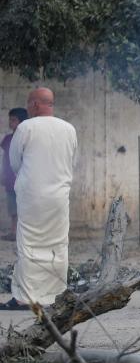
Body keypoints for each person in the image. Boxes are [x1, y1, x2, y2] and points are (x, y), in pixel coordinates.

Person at [1, 88, 77, 310]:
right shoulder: (69, 129)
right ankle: (56, 295)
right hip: (59, 197)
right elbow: (73, 160)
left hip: (32, 197)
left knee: (29, 244)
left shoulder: (25, 127)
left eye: (28, 103)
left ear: (34, 105)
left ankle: (25, 297)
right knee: (58, 243)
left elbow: (15, 162)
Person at [1, 108, 28, 241]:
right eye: (10, 120)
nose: (10, 123)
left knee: (24, 208)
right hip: (10, 180)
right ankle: (13, 232)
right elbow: (5, 158)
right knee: (12, 209)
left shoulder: (27, 138)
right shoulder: (7, 139)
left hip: (23, 181)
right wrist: (3, 174)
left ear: (22, 122)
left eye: (13, 120)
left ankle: (23, 234)